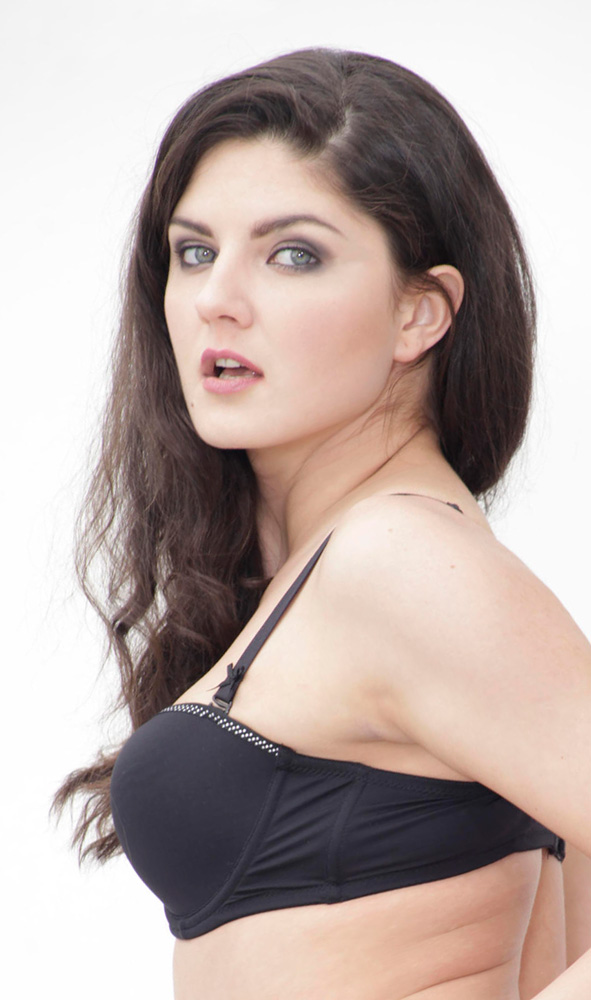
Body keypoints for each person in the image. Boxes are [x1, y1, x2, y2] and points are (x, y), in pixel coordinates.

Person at [54, 48, 591, 1000]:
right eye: (194, 252)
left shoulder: (401, 562)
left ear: (418, 313)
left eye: (292, 254)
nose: (217, 298)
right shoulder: (356, 564)